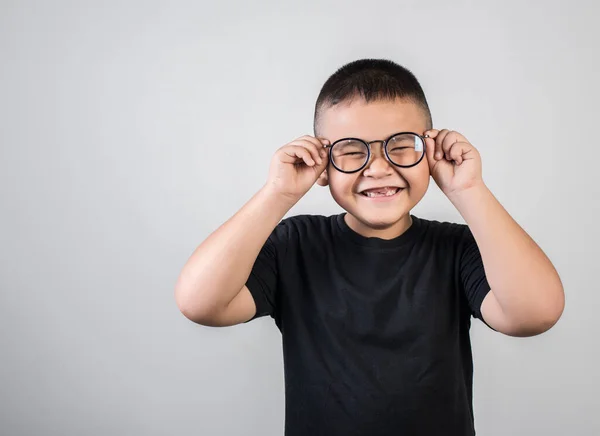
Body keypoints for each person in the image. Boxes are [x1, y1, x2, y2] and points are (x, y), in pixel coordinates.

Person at [174, 59, 565, 436]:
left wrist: (468, 190)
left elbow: (535, 314)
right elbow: (201, 302)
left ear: (430, 153)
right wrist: (277, 193)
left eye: (401, 146)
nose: (378, 168)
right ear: (322, 164)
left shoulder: (456, 248)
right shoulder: (295, 246)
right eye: (350, 150)